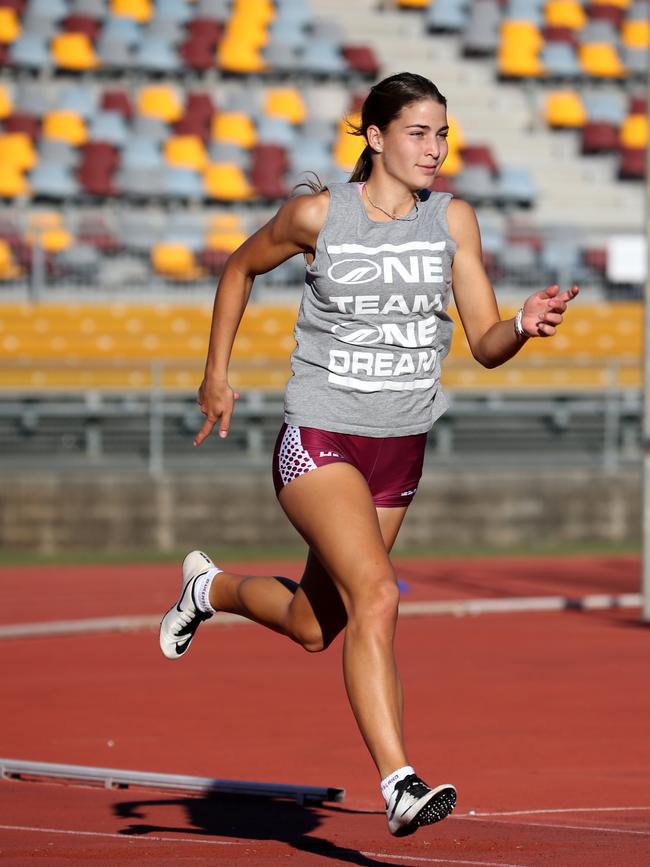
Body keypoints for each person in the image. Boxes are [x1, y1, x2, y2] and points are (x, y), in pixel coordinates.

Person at [160, 72, 578, 837]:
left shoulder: (453, 221)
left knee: (316, 626)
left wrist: (519, 322)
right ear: (377, 137)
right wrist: (216, 372)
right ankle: (398, 781)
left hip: (399, 452)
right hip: (319, 435)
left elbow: (484, 343)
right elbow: (239, 269)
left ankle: (208, 589)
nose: (435, 149)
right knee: (379, 595)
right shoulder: (320, 215)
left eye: (443, 134)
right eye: (419, 133)